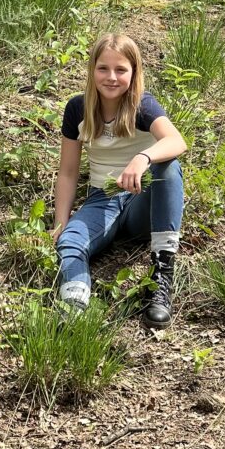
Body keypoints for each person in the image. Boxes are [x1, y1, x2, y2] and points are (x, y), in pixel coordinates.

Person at [52, 33, 187, 327]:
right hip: (103, 198)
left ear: (133, 72)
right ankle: (75, 304)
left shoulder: (142, 105)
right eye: (103, 68)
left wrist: (142, 158)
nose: (111, 77)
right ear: (92, 70)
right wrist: (61, 223)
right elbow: (68, 171)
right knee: (70, 242)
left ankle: (161, 277)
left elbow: (177, 141)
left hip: (142, 199)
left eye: (120, 70)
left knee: (168, 168)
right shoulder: (78, 108)